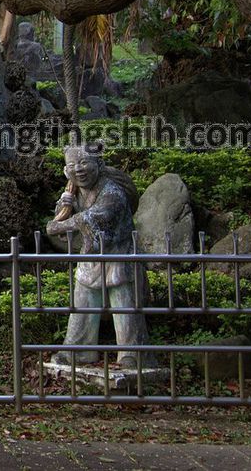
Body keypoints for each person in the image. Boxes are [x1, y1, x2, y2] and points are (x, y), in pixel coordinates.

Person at [45, 142, 153, 369]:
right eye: (73, 165)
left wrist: (60, 225)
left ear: (99, 164)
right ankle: (79, 350)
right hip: (92, 256)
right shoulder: (74, 193)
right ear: (66, 171)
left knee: (124, 304)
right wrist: (64, 207)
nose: (79, 170)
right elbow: (66, 224)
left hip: (119, 255)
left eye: (84, 163)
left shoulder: (112, 192)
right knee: (83, 304)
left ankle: (132, 353)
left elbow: (93, 218)